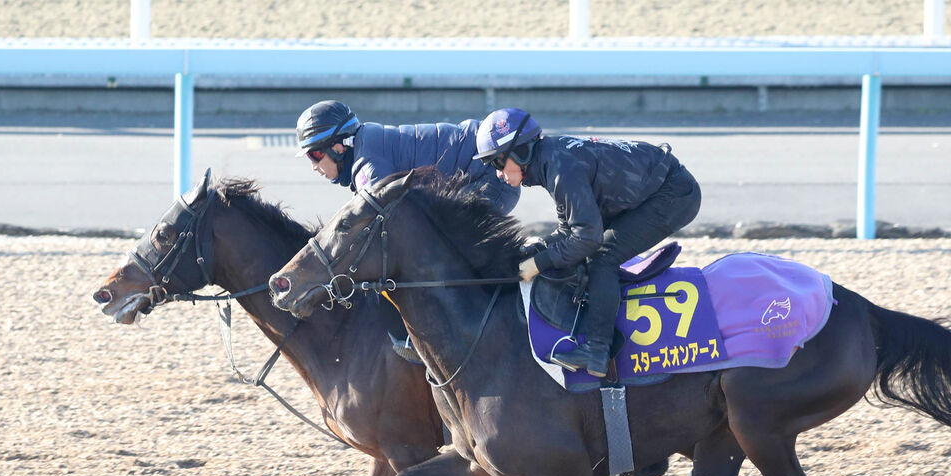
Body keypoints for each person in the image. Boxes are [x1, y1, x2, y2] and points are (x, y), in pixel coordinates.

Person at [474, 107, 702, 377]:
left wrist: (537, 264)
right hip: (654, 188)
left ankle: (597, 350)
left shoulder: (560, 169)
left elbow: (587, 238)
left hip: (674, 195)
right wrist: (537, 250)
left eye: (498, 162)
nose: (498, 173)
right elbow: (570, 228)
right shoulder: (550, 159)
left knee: (602, 257)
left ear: (520, 151)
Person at [295, 99, 520, 216]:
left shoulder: (367, 165)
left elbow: (376, 223)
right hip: (490, 165)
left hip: (495, 175)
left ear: (338, 148)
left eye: (314, 155)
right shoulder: (368, 144)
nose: (314, 166)